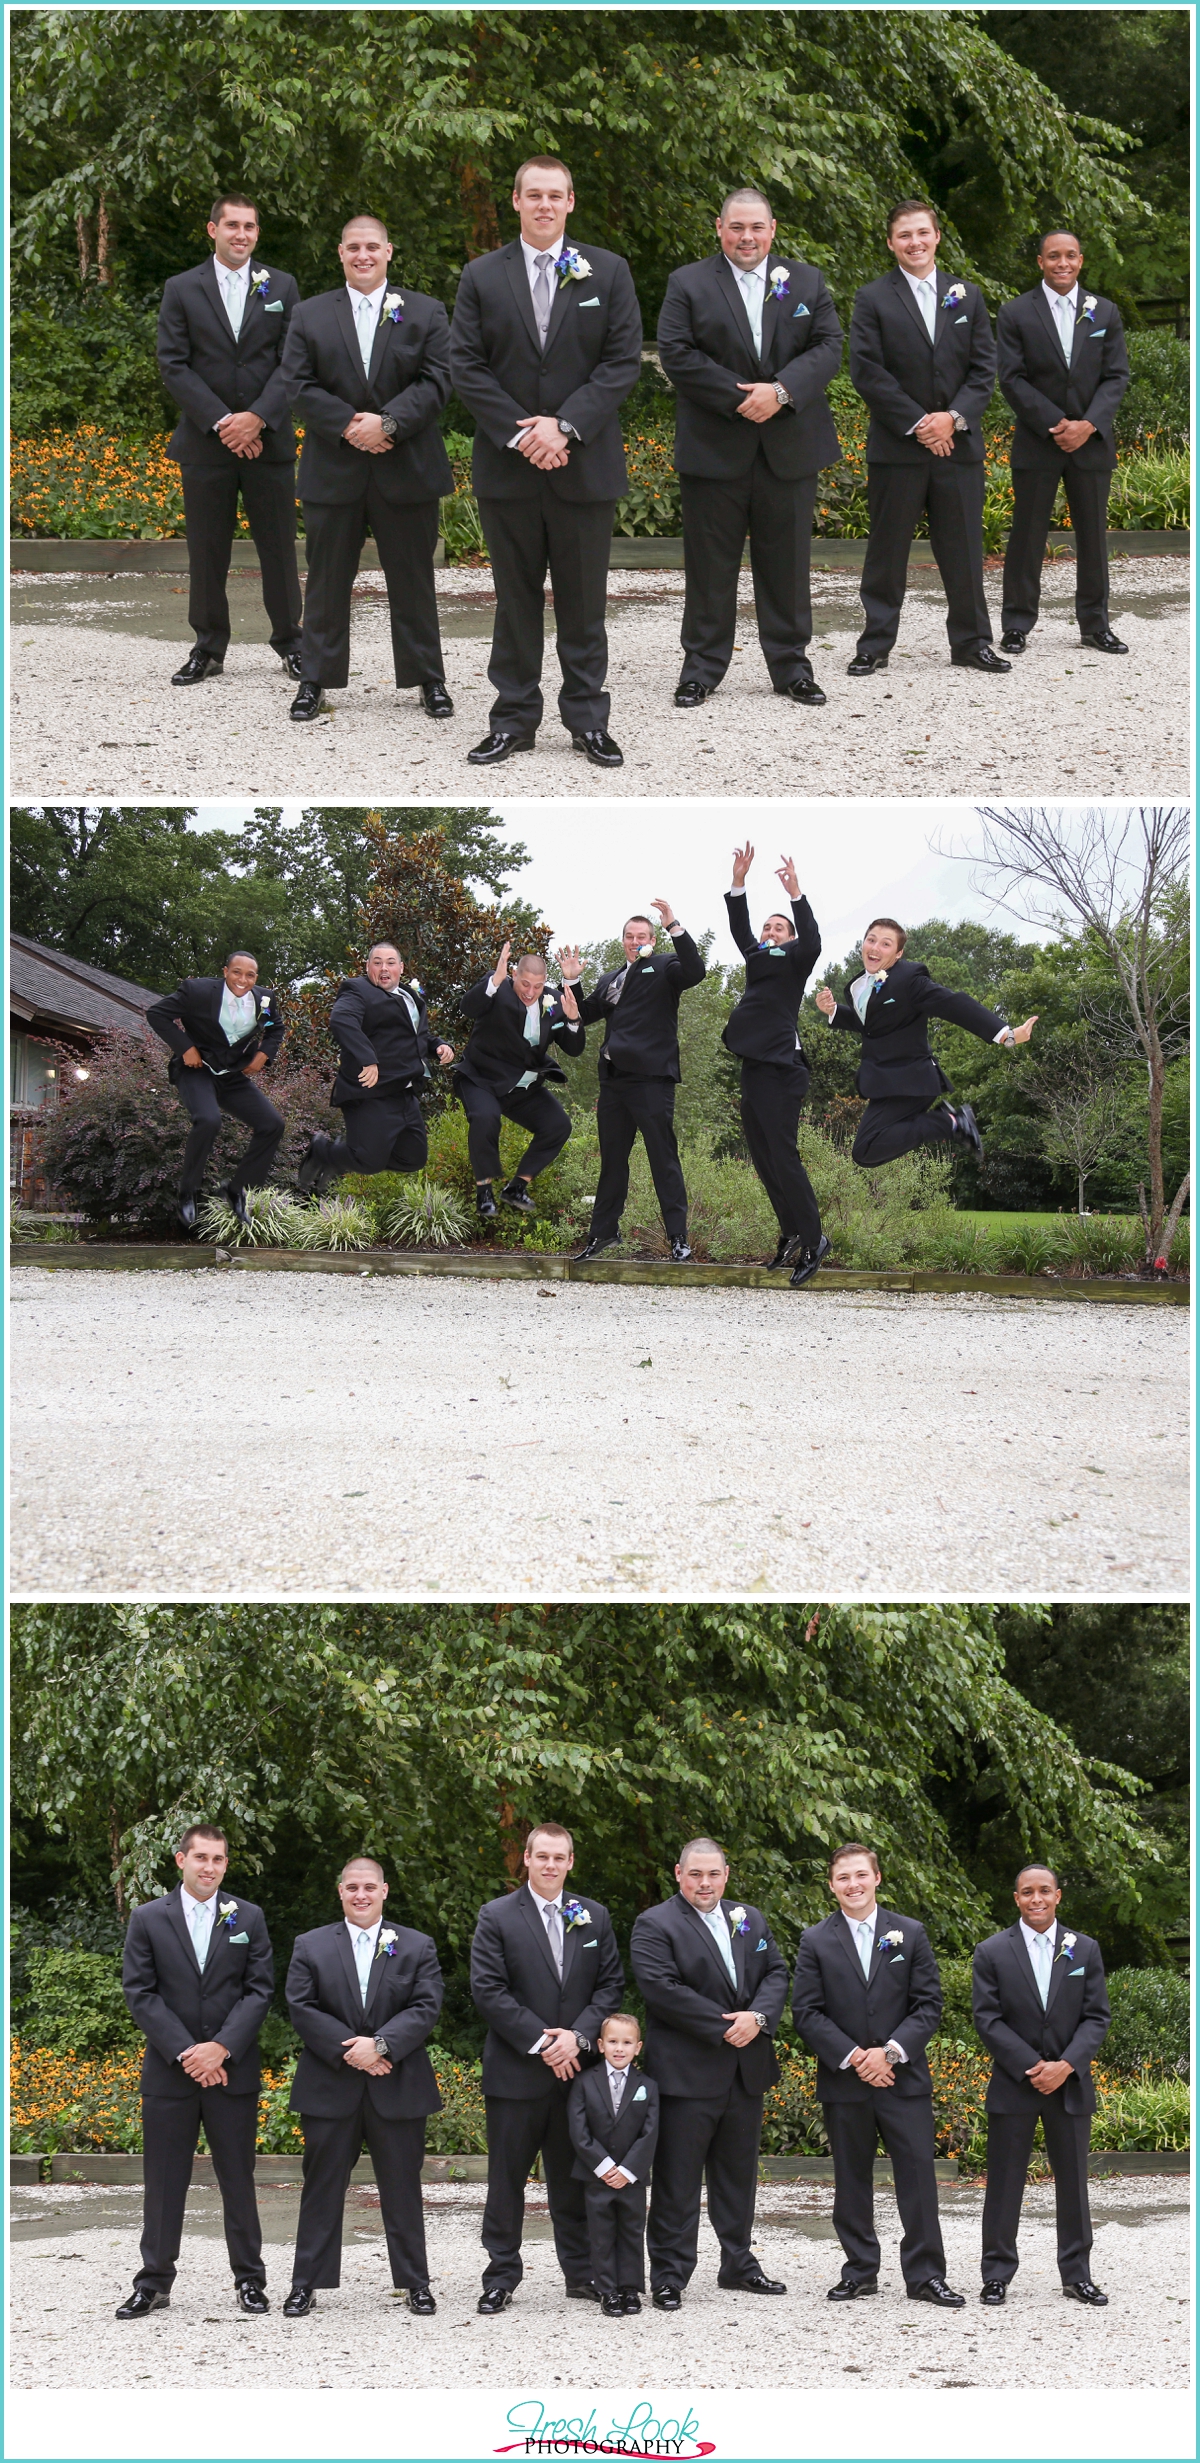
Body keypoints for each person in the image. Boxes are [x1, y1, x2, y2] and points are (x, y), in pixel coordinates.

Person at [449, 154, 643, 768]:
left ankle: (588, 719)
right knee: (514, 600)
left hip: (582, 464)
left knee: (584, 602)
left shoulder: (608, 272)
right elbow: (466, 366)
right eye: (533, 195)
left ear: (570, 201)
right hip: (509, 468)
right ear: (515, 201)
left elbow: (620, 363)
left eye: (555, 195)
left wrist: (565, 427)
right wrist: (522, 433)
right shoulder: (481, 275)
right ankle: (512, 720)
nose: (544, 205)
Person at [656, 185, 842, 710]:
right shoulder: (688, 282)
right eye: (736, 227)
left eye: (756, 227)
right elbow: (676, 351)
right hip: (715, 446)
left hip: (789, 448)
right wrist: (743, 399)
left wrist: (780, 392)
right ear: (719, 228)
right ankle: (701, 669)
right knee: (710, 565)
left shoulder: (806, 280)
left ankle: (791, 667)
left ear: (772, 229)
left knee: (787, 564)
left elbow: (829, 345)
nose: (746, 236)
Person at [280, 213, 455, 724]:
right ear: (340, 253)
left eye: (372, 246)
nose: (363, 254)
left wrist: (389, 424)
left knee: (414, 580)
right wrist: (350, 426)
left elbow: (438, 380)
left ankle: (428, 679)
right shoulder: (309, 314)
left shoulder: (424, 312)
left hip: (408, 467)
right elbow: (297, 383)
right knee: (327, 581)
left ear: (388, 251)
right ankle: (315, 679)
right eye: (354, 246)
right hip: (334, 468)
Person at [791, 1842, 964, 2308]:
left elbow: (928, 2005)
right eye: (844, 1878)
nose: (853, 1885)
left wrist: (888, 2053)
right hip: (845, 2082)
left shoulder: (910, 1933)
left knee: (918, 2179)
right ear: (832, 1885)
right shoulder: (816, 1940)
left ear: (877, 1878)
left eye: (861, 1875)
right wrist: (854, 2057)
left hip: (902, 2080)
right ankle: (860, 2271)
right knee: (851, 2179)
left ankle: (926, 2275)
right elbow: (806, 2012)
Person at [117, 1823, 273, 2318]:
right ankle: (154, 2282)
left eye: (219, 1859)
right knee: (163, 2182)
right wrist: (190, 2053)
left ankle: (249, 2280)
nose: (210, 1867)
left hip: (232, 2072)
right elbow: (140, 1992)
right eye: (201, 1857)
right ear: (180, 1859)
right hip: (170, 2073)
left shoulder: (247, 1915)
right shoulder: (147, 1918)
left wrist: (221, 2048)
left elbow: (259, 1990)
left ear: (226, 1864)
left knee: (238, 2179)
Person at [469, 1821, 624, 2311]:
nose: (551, 1865)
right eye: (542, 1857)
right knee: (506, 2179)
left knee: (572, 2178)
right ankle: (500, 2276)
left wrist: (577, 2038)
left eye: (560, 1857)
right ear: (527, 1860)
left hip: (577, 2074)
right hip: (517, 2073)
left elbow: (610, 1987)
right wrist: (544, 2043)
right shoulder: (496, 1916)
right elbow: (489, 1990)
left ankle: (580, 2275)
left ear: (570, 1861)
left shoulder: (594, 1916)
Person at [848, 198, 1006, 676]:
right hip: (898, 448)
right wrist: (921, 423)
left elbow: (984, 369)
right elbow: (868, 372)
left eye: (922, 233)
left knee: (963, 550)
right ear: (891, 242)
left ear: (937, 236)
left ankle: (972, 643)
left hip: (957, 446)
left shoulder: (968, 295)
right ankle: (875, 644)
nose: (914, 242)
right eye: (904, 235)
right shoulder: (872, 298)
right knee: (886, 551)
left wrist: (952, 418)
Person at [630, 1836, 789, 2308]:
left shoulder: (750, 1919)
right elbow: (662, 1989)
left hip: (745, 2073)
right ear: (678, 1874)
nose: (705, 1882)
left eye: (713, 1873)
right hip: (686, 2075)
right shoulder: (655, 1923)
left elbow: (777, 1972)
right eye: (695, 1874)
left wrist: (756, 2019)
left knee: (738, 2177)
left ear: (726, 1874)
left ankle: (738, 2264)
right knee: (677, 2180)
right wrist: (727, 2027)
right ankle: (669, 2274)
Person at [283, 1856, 444, 2318]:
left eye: (369, 1887)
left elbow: (426, 2006)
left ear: (384, 1891)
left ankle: (416, 2284)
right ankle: (305, 2284)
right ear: (340, 1892)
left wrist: (381, 2045)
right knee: (321, 2187)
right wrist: (352, 2051)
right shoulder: (311, 1945)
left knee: (403, 2189)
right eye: (352, 1887)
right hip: (331, 2086)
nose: (361, 1894)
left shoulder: (415, 1946)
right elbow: (301, 2006)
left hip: (397, 2084)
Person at [156, 193, 303, 687]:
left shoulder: (281, 285)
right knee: (207, 547)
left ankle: (291, 642)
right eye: (233, 225)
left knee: (279, 548)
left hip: (269, 440)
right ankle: (208, 647)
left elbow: (293, 362)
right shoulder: (182, 288)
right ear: (212, 229)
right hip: (206, 443)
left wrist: (258, 418)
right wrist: (225, 422)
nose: (242, 234)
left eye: (250, 227)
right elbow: (173, 363)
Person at [972, 1863, 1112, 2308]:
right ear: (1016, 1898)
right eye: (1027, 1892)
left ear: (1058, 1896)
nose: (1036, 1899)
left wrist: (1066, 2065)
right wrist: (1034, 2066)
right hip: (1016, 2083)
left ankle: (1077, 2274)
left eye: (1044, 1891)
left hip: (1068, 2085)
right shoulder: (992, 1951)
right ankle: (996, 2274)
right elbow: (987, 2018)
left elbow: (1096, 2017)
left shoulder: (1083, 1949)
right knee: (1005, 2183)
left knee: (1072, 2182)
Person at [997, 230, 1131, 658]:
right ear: (1040, 261)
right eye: (1053, 256)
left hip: (1090, 443)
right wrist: (1057, 423)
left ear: (1081, 260)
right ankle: (1017, 624)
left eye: (1070, 256)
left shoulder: (1104, 311)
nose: (1062, 263)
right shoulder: (1016, 312)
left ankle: (1095, 625)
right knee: (1027, 535)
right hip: (1040, 439)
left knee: (1092, 535)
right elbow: (1011, 377)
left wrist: (1088, 424)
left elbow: (1116, 376)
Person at [814, 916, 1037, 1168]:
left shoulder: (910, 980)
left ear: (898, 953)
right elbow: (869, 1026)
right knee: (865, 1152)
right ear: (863, 944)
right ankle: (952, 1121)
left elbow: (954, 1003)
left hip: (911, 1081)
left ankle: (952, 1122)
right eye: (871, 940)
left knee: (865, 1149)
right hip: (885, 1082)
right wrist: (833, 1012)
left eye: (885, 944)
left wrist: (1005, 1034)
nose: (875, 948)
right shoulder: (857, 986)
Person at [565, 901, 707, 1263]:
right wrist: (571, 980)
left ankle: (678, 1238)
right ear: (623, 940)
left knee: (663, 1158)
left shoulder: (664, 967)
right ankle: (603, 1235)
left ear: (652, 939)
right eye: (629, 936)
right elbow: (582, 1014)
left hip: (651, 1081)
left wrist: (675, 925)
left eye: (640, 936)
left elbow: (695, 970)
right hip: (613, 1081)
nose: (633, 941)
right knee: (613, 1161)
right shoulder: (610, 978)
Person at [722, 843, 829, 1287]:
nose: (769, 931)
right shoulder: (757, 956)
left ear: (790, 937)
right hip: (755, 1067)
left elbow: (813, 938)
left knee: (783, 1156)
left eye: (778, 927)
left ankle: (814, 1239)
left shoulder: (798, 957)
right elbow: (739, 928)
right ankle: (789, 1232)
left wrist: (795, 895)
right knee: (764, 1159)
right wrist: (738, 882)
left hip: (784, 1069)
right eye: (767, 927)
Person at [296, 942, 453, 1194]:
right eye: (377, 962)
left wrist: (438, 1046)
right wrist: (368, 1058)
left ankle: (341, 1158)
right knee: (369, 1161)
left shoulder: (409, 995)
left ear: (401, 968)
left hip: (405, 1092)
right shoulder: (357, 990)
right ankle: (321, 1151)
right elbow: (342, 1019)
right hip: (371, 1092)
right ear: (367, 966)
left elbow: (413, 1035)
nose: (384, 968)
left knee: (413, 1158)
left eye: (390, 963)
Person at [146, 951, 286, 1230]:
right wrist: (186, 1048)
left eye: (250, 975)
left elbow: (275, 1028)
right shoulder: (196, 991)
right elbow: (157, 1014)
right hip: (196, 1070)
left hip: (232, 1075)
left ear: (256, 978)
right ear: (225, 971)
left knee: (272, 1124)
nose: (242, 980)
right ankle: (188, 1191)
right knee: (209, 1120)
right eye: (237, 972)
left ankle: (236, 1189)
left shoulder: (265, 999)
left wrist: (263, 1055)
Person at [455, 943, 585, 1224]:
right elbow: (467, 1007)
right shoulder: (497, 987)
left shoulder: (554, 1000)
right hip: (482, 1079)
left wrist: (573, 1018)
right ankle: (484, 1193)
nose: (530, 992)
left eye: (537, 987)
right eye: (525, 984)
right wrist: (495, 981)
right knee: (485, 1118)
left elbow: (574, 1049)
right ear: (514, 974)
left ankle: (516, 1187)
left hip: (524, 1088)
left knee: (558, 1126)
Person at [566, 2012, 661, 2317]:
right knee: (601, 2233)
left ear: (638, 2047)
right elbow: (579, 2132)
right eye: (613, 2041)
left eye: (627, 2042)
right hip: (598, 2176)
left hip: (631, 2177)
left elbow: (650, 2132)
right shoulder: (583, 2082)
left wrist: (628, 2170)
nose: (619, 2048)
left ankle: (631, 2289)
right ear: (601, 2044)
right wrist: (605, 2166)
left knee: (632, 2231)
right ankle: (608, 2290)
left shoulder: (648, 2085)